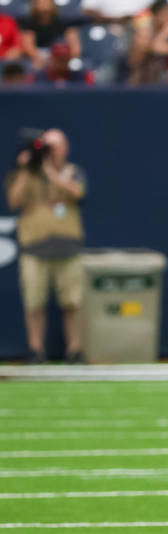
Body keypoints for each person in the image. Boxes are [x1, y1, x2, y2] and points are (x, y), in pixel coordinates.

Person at [4, 129, 86, 364]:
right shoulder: (26, 174)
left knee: (72, 302)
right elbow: (14, 201)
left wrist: (51, 173)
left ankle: (75, 349)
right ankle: (36, 349)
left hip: (68, 247)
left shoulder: (73, 172)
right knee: (34, 303)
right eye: (47, 146)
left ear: (65, 148)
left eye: (55, 146)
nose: (50, 151)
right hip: (34, 248)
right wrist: (25, 169)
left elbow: (78, 193)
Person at [19, 0, 80, 70]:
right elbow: (27, 44)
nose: (44, 6)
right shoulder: (29, 22)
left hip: (59, 54)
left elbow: (74, 45)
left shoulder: (63, 21)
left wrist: (67, 58)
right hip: (39, 55)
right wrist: (38, 57)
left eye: (47, 2)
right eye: (41, 3)